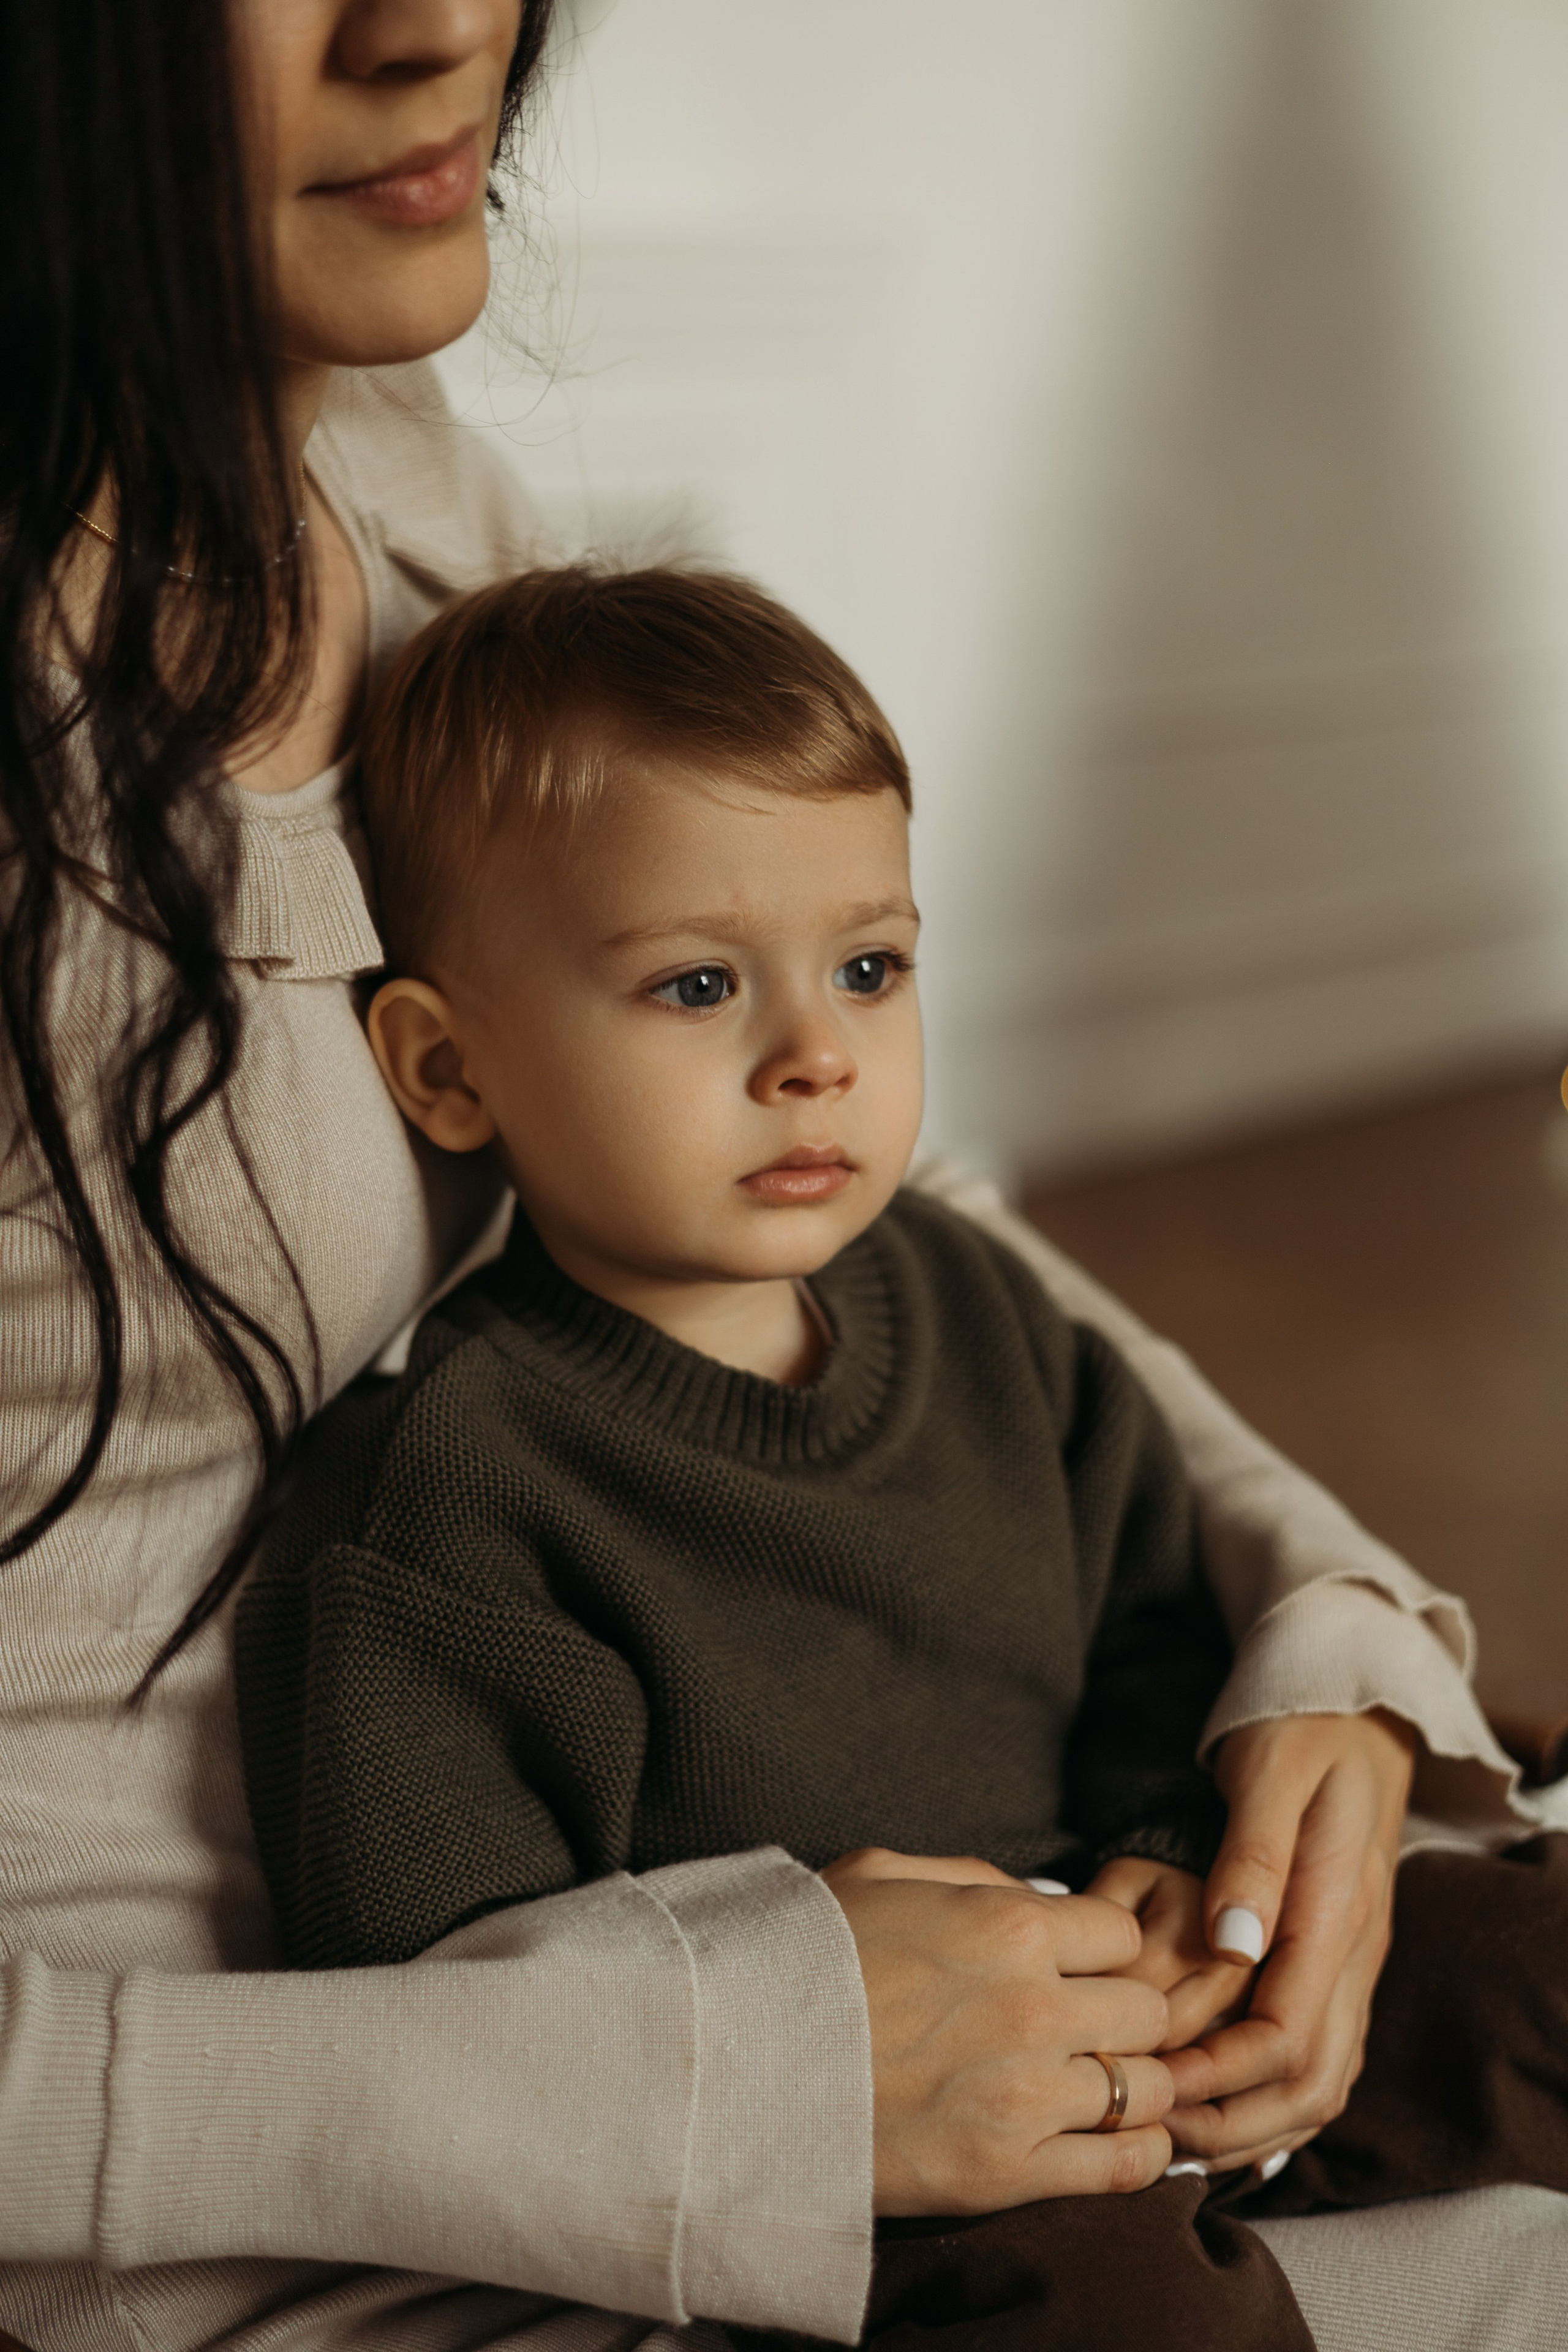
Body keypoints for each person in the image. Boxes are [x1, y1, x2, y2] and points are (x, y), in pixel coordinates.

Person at [0, 2, 1558, 2350]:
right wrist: (747, 2082)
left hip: (956, 1998)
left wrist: (1333, 1647)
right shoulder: (459, 1526)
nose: (443, 24)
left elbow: (940, 1262)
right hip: (414, 2186)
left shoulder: (413, 498)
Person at [229, 564, 1568, 2352]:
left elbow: (1153, 1618)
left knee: (1522, 1961)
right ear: (449, 1068)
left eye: (870, 967)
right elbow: (465, 2003)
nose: (817, 1057)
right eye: (697, 986)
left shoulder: (974, 1307)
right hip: (874, 2144)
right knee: (1106, 2316)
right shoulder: (449, 1498)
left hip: (1152, 1979)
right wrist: (816, 2073)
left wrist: (1180, 1860)